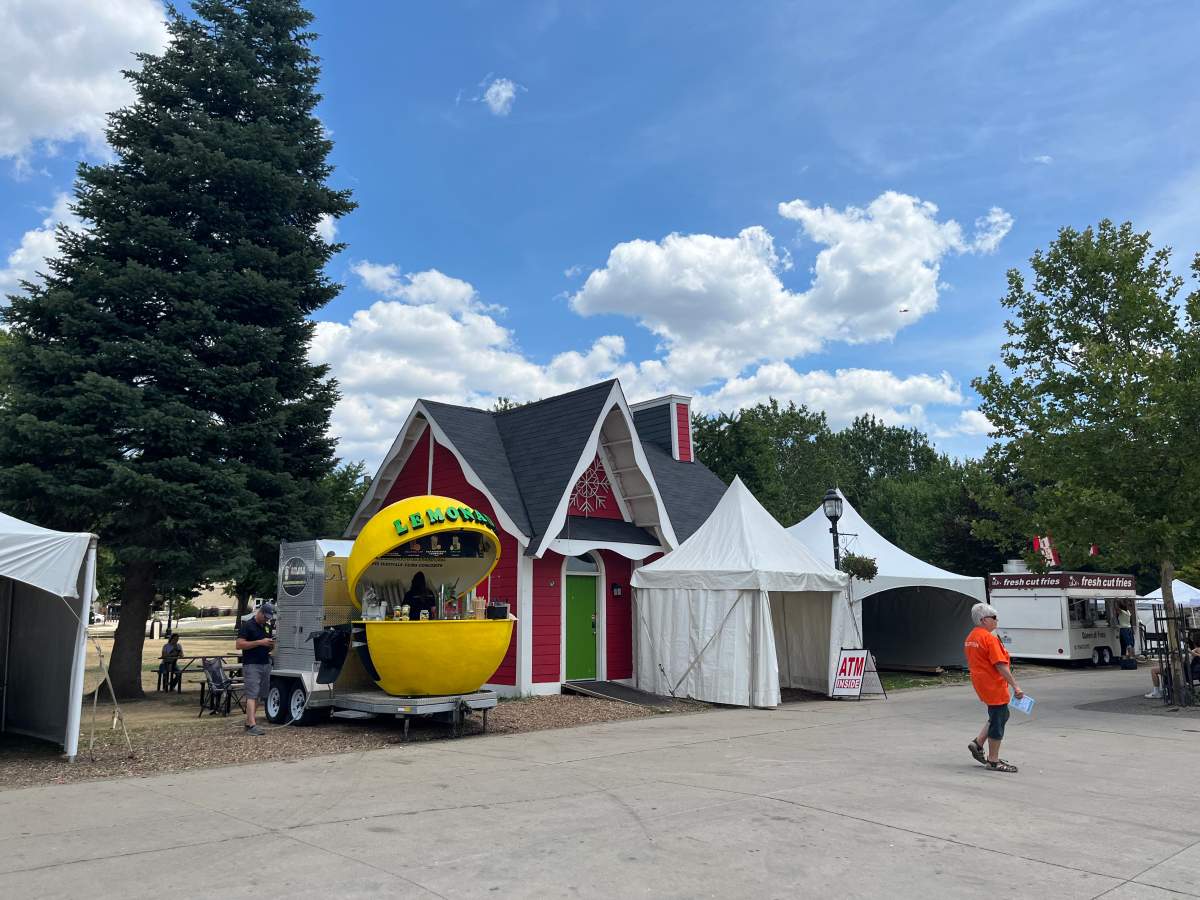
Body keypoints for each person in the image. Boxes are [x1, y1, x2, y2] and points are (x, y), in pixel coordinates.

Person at [964, 603, 1024, 773]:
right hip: (993, 684)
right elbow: (1000, 665)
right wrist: (1015, 686)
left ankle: (978, 743)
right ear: (984, 620)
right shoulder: (989, 639)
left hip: (981, 683)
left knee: (1001, 714)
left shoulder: (971, 637)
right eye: (994, 618)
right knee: (998, 720)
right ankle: (993, 760)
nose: (997, 621)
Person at [236, 602, 276, 736]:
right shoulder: (247, 626)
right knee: (252, 694)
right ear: (259, 612)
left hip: (265, 662)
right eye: (265, 617)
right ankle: (252, 724)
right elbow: (239, 644)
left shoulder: (267, 627)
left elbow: (267, 643)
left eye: (268, 618)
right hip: (251, 664)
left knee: (261, 694)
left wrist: (270, 645)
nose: (266, 620)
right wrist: (259, 642)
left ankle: (248, 723)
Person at [1144, 631, 1200, 699]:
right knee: (1166, 669)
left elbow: (1192, 657)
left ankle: (1157, 692)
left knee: (1154, 670)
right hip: (1187, 670)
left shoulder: (1196, 649)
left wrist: (1190, 652)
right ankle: (1164, 690)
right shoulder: (1194, 650)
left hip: (1184, 671)